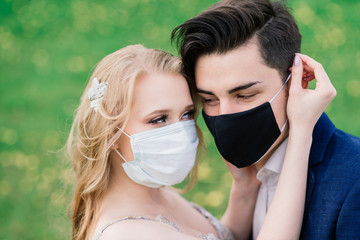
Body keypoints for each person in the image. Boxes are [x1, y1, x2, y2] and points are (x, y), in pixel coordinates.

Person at [66, 44, 333, 240]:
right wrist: (301, 132)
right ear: (111, 133)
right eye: (158, 119)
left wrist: (245, 187)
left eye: (187, 114)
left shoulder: (158, 194)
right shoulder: (127, 234)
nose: (181, 131)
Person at [171, 0, 360, 239]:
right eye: (209, 99)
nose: (225, 115)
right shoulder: (247, 177)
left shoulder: (355, 181)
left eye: (244, 95)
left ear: (297, 81)